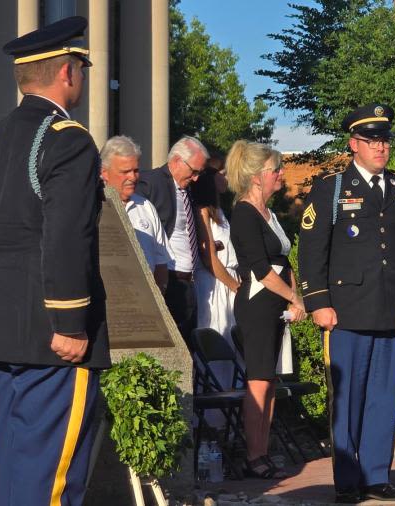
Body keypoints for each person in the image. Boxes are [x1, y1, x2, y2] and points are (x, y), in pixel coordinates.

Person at [0, 16, 109, 506]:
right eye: (81, 68)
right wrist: (69, 320)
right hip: (50, 335)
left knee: (15, 459)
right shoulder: (67, 139)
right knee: (52, 475)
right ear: (67, 72)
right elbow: (66, 235)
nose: (82, 78)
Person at [298, 104, 395, 503]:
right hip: (346, 310)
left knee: (384, 398)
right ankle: (348, 481)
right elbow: (312, 250)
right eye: (372, 141)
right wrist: (317, 301)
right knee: (347, 399)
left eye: (384, 140)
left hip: (388, 308)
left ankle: (376, 477)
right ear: (354, 144)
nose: (381, 148)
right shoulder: (332, 188)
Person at [227, 140, 306, 479]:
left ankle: (264, 450)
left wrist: (296, 296)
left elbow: (284, 259)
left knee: (269, 380)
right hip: (258, 302)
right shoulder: (243, 213)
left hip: (277, 302)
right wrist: (292, 296)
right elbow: (262, 270)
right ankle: (253, 454)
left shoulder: (270, 214)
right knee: (258, 379)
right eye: (276, 170)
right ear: (258, 177)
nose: (281, 174)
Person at [136, 136, 210, 342]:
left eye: (199, 173)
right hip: (167, 279)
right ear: (177, 161)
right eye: (194, 171)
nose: (196, 178)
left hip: (188, 283)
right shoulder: (151, 182)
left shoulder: (187, 190)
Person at [100, 135, 172, 291]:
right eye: (125, 171)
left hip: (144, 307)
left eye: (136, 170)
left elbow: (161, 261)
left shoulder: (146, 207)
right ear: (104, 172)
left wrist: (161, 294)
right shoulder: (92, 208)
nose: (132, 177)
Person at [191, 166, 240, 394]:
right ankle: (213, 419)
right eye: (222, 172)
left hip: (229, 280)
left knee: (232, 344)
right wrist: (235, 286)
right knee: (217, 335)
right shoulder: (202, 211)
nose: (226, 177)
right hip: (214, 283)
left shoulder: (220, 211)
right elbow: (208, 256)